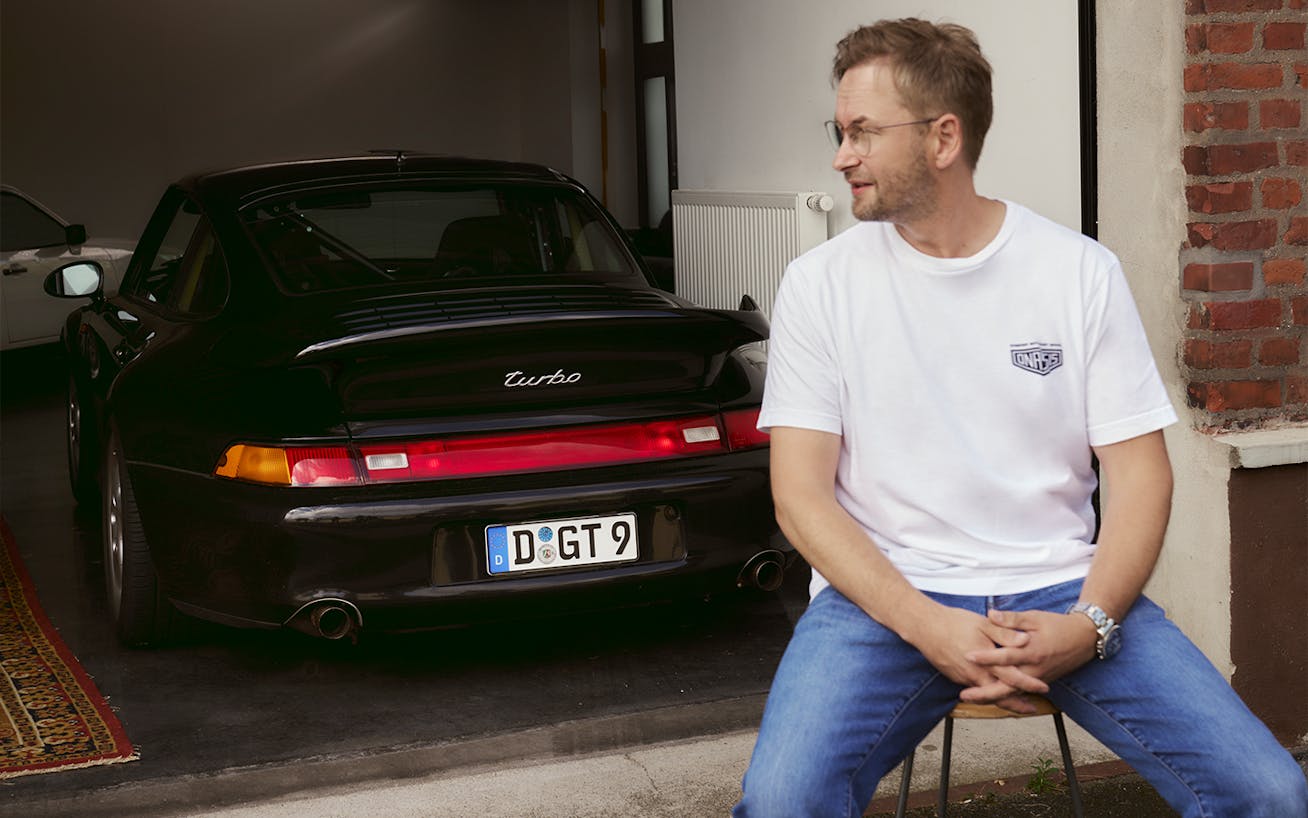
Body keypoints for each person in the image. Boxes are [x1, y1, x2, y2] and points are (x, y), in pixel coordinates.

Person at [733, 18, 1308, 818]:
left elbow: (1141, 473)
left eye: (862, 132)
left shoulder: (1075, 272)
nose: (841, 156)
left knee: (1270, 793)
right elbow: (799, 495)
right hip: (886, 599)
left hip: (1064, 588)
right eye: (839, 131)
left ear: (943, 138)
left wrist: (1092, 622)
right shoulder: (819, 285)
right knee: (781, 802)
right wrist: (928, 625)